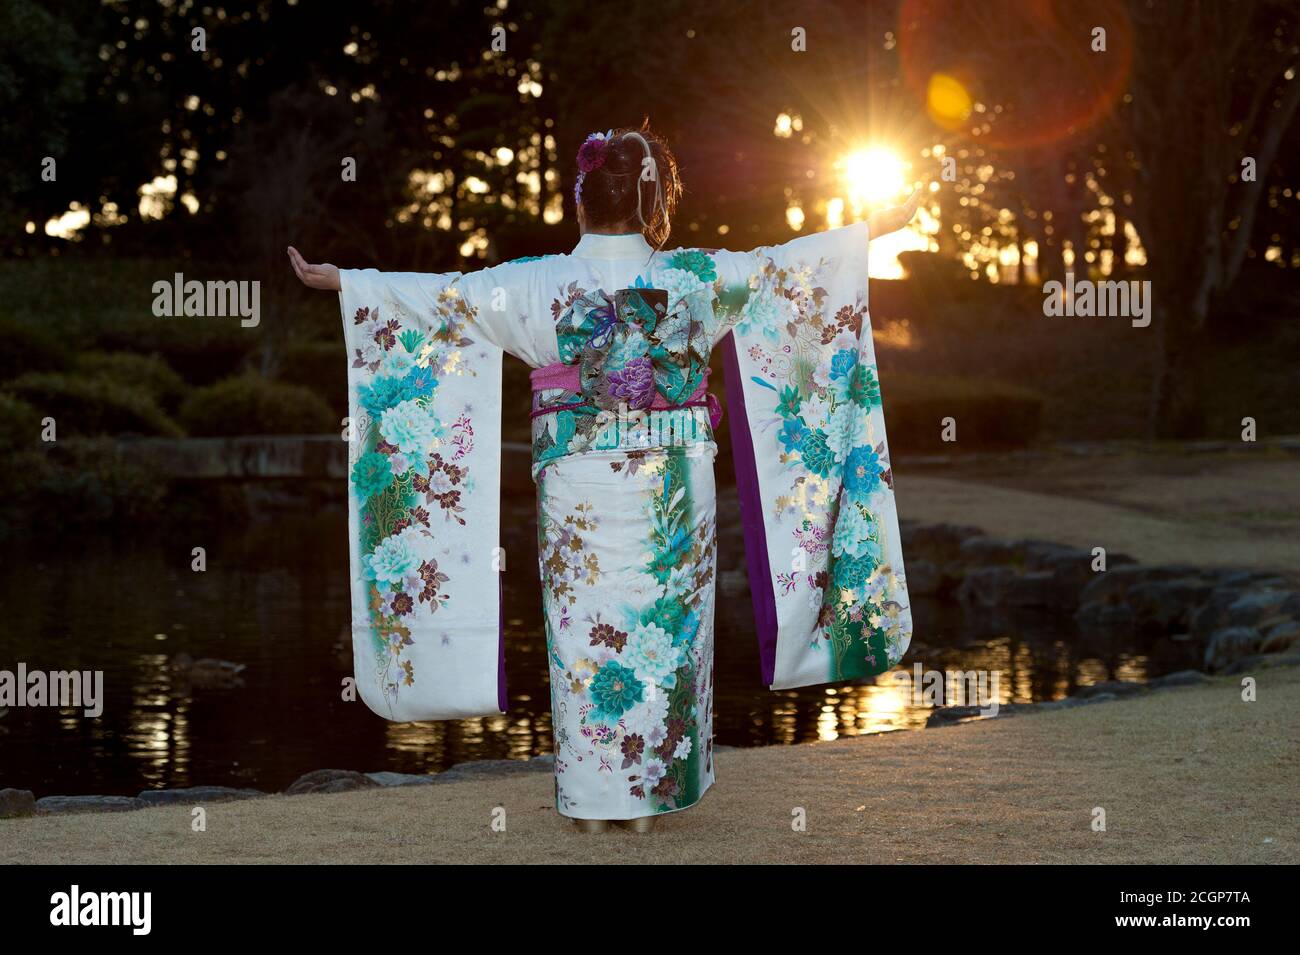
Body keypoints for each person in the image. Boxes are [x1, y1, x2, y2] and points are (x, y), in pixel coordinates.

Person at [288, 121, 920, 833]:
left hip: (577, 488)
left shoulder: (536, 282)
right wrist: (868, 233)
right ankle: (659, 788)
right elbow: (787, 272)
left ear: (580, 201)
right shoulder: (696, 275)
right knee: (671, 627)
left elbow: (445, 300)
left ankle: (592, 801)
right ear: (651, 199)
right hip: (674, 488)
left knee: (584, 633)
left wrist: (348, 282)